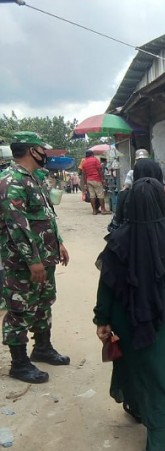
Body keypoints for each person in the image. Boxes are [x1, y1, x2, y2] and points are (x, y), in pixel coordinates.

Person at [94, 177, 165, 451]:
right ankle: (157, 444)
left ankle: (137, 408)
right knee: (164, 376)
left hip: (127, 317)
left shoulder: (116, 242)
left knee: (135, 366)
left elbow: (107, 285)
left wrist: (103, 319)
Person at [0, 132, 70, 384]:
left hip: (45, 257)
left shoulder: (33, 179)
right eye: (43, 149)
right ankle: (18, 363)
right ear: (32, 150)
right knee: (20, 308)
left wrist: (59, 243)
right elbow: (17, 226)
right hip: (22, 262)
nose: (45, 154)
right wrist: (32, 260)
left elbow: (46, 217)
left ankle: (42, 347)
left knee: (43, 302)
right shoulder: (12, 180)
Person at [80, 150, 110, 215]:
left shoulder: (84, 162)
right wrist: (103, 180)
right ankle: (103, 210)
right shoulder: (95, 160)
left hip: (88, 180)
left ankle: (94, 211)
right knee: (100, 195)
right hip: (96, 179)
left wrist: (85, 184)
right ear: (92, 154)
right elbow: (100, 170)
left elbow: (84, 174)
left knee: (92, 196)